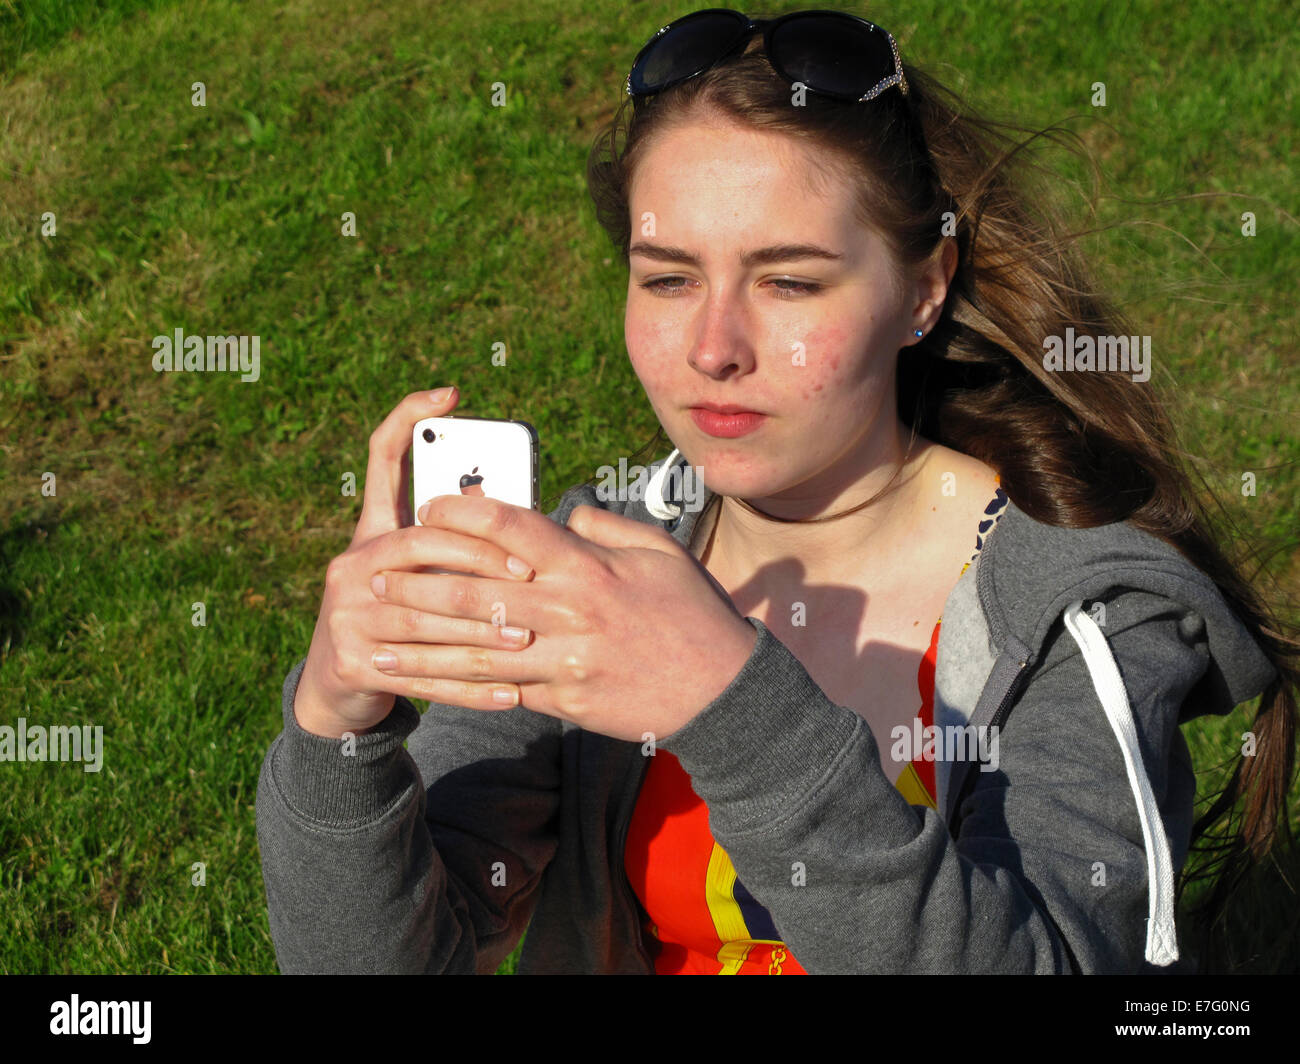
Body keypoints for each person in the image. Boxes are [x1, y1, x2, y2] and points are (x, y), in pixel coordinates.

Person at [255, 8, 1296, 974]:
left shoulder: (1081, 614)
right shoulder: (597, 561)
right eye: (666, 277)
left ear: (923, 287)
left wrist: (731, 701)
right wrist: (339, 721)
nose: (712, 348)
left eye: (789, 281)